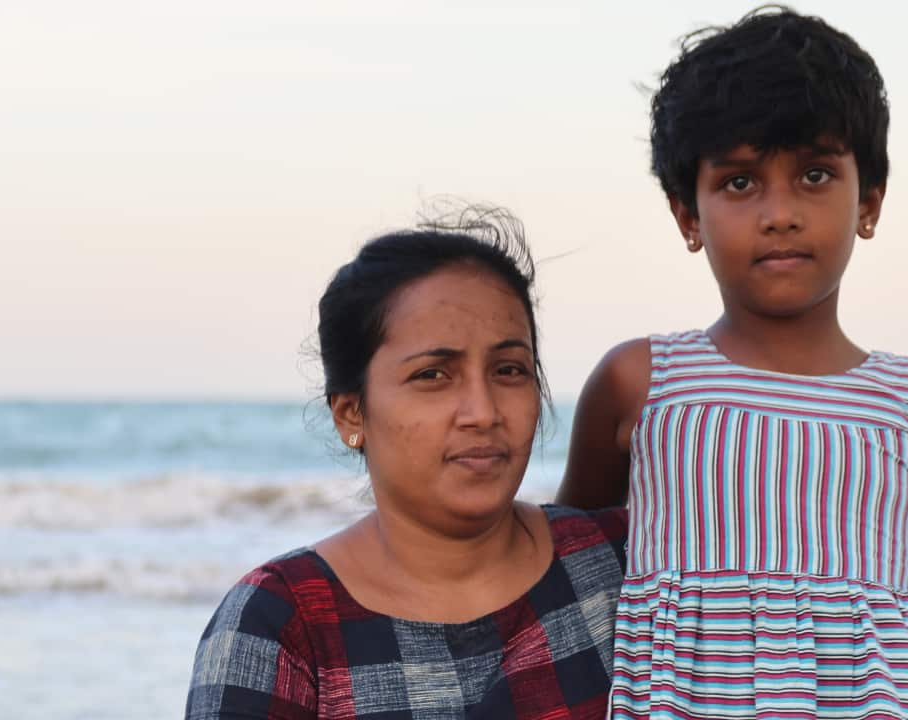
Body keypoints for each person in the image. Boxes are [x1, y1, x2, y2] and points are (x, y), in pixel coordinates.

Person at [557, 7, 908, 719]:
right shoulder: (640, 384)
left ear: (869, 204)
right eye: (739, 183)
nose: (779, 212)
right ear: (687, 216)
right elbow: (570, 585)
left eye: (815, 175)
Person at [187, 207, 627, 719]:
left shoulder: (624, 565)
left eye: (509, 370)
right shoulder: (281, 626)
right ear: (352, 412)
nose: (483, 412)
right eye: (433, 375)